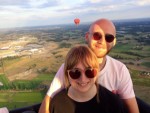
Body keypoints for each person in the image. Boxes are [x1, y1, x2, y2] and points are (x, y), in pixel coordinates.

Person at [39, 18, 140, 113]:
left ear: (114, 42)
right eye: (97, 35)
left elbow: (132, 109)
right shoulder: (69, 68)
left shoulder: (120, 70)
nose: (102, 41)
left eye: (108, 37)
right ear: (87, 37)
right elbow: (47, 104)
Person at [50, 45, 125, 113]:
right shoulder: (57, 104)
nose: (83, 79)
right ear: (67, 74)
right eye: (75, 72)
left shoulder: (113, 103)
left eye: (89, 71)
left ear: (97, 72)